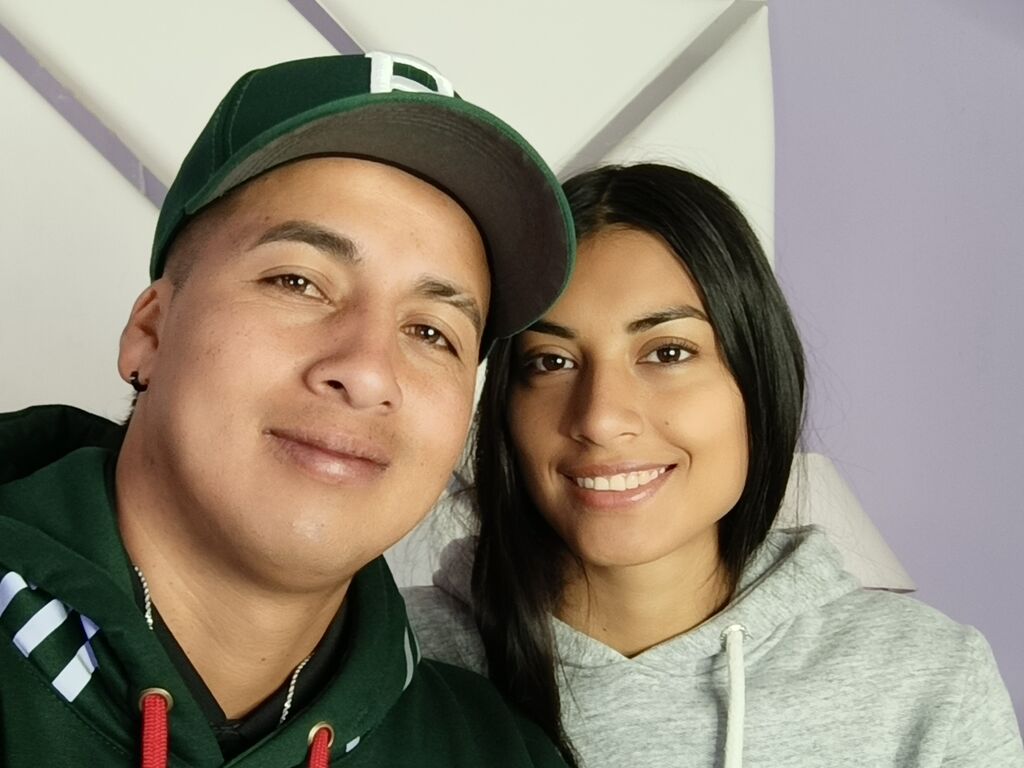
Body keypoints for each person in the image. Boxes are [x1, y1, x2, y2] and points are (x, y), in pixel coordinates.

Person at [0, 52, 576, 767]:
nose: (367, 372)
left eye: (432, 332)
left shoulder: (498, 754)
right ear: (150, 332)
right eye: (298, 282)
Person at [404, 163, 1024, 768]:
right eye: (551, 362)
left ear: (757, 380)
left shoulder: (928, 679)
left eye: (668, 353)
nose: (600, 417)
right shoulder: (389, 656)